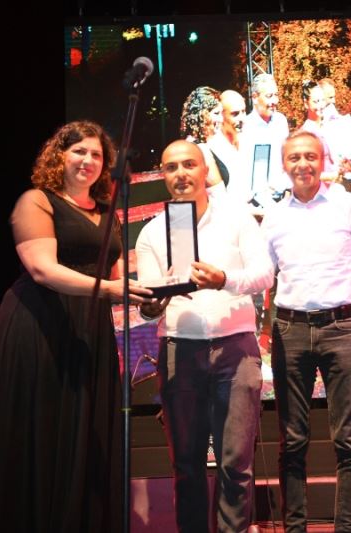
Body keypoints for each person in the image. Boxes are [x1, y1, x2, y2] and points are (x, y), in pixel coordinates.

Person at [0, 121, 155, 532]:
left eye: (96, 155)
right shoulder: (37, 201)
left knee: (85, 430)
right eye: (78, 151)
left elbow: (119, 277)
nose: (88, 160)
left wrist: (156, 291)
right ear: (59, 156)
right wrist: (110, 289)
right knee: (41, 426)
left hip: (90, 330)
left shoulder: (107, 213)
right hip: (40, 325)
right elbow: (42, 269)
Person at [135, 140, 273, 533]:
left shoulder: (237, 218)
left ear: (204, 170)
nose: (181, 174)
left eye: (188, 165)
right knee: (186, 464)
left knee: (236, 464)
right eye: (171, 167)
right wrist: (154, 302)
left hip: (236, 348)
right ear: (163, 175)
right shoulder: (153, 232)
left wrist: (223, 279)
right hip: (180, 349)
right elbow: (148, 303)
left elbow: (265, 274)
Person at [260, 131, 351, 532]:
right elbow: (262, 279)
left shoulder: (349, 206)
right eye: (294, 157)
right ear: (284, 165)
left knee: (347, 440)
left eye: (310, 156)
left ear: (323, 161)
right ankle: (294, 528)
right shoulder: (274, 216)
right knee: (292, 441)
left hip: (343, 328)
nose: (303, 164)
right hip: (290, 330)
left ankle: (345, 528)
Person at [240, 73, 291, 208]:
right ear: (255, 97)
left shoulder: (281, 121)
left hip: (282, 199)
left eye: (276, 95)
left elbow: (287, 158)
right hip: (255, 203)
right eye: (269, 96)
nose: (274, 101)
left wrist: (287, 192)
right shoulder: (246, 126)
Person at [205, 89, 248, 197]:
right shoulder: (211, 147)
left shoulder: (247, 138)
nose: (242, 118)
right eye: (235, 114)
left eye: (244, 111)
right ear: (222, 115)